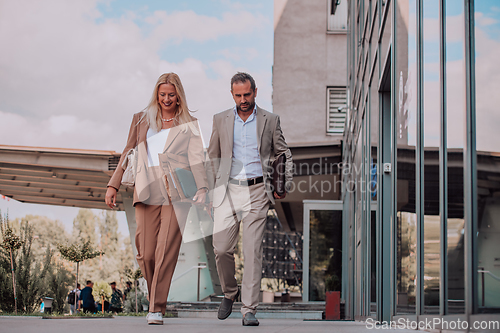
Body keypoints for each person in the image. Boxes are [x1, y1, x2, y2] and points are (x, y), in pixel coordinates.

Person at [105, 73, 208, 325]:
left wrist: (203, 188)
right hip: (146, 188)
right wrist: (113, 184)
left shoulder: (189, 123)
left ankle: (156, 308)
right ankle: (155, 298)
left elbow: (196, 158)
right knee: (146, 252)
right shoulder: (141, 119)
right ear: (156, 94)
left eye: (171, 95)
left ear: (179, 95)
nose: (166, 99)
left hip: (178, 193)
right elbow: (127, 151)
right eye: (162, 95)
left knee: (166, 251)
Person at [207, 72, 293, 326]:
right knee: (221, 248)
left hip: (258, 192)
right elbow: (213, 157)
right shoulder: (220, 120)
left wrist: (284, 182)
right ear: (232, 94)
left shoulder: (270, 119)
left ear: (255, 91)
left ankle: (249, 310)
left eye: (247, 94)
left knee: (252, 251)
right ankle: (230, 293)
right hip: (228, 192)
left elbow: (283, 151)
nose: (243, 100)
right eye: (238, 95)